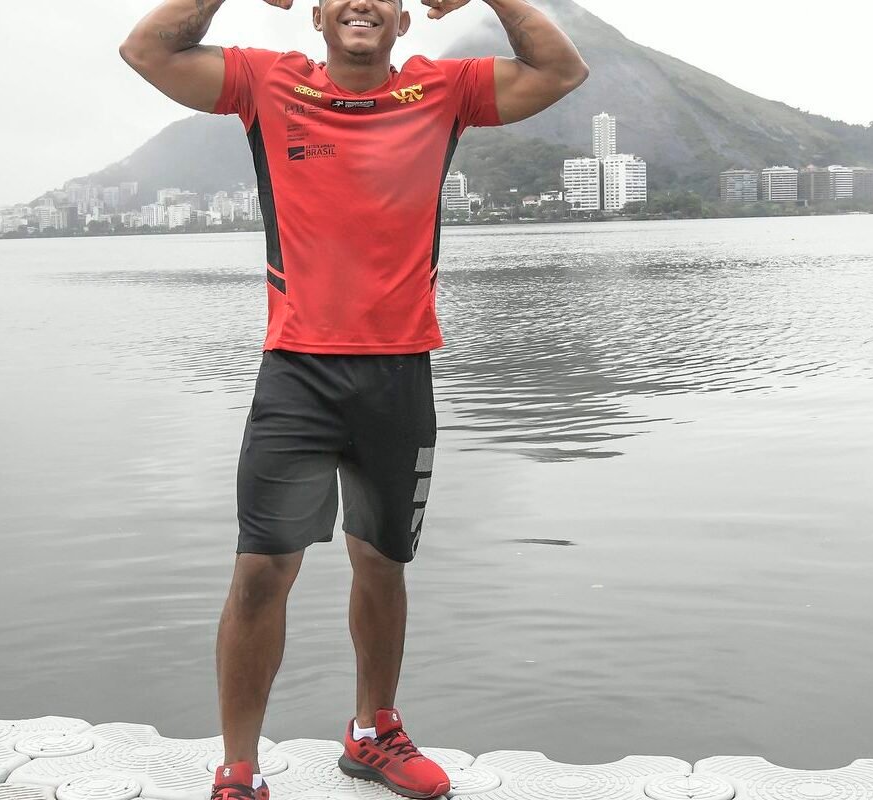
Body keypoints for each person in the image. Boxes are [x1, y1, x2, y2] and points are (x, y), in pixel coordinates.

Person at [120, 0, 586, 794]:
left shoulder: (443, 91)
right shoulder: (268, 84)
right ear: (317, 16)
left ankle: (373, 734)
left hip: (398, 376)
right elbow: (147, 52)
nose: (362, 1)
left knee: (381, 562)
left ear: (404, 21)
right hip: (297, 373)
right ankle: (238, 771)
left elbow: (561, 71)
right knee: (262, 571)